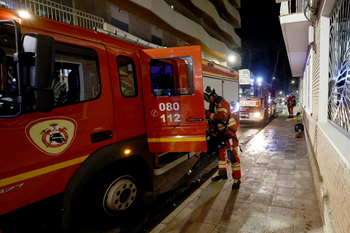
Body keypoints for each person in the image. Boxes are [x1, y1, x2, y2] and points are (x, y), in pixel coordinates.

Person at [204, 86, 241, 189]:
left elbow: (221, 117)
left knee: (232, 156)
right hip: (221, 134)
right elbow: (215, 120)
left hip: (229, 133)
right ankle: (222, 174)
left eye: (205, 96)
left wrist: (207, 113)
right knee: (220, 154)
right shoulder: (213, 105)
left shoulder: (220, 102)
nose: (204, 99)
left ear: (209, 95)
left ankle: (237, 179)